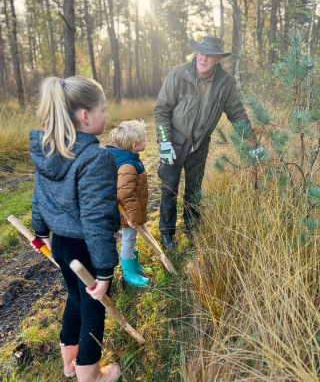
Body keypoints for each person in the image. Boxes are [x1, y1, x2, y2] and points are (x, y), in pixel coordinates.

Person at [30, 76, 121, 382]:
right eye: (103, 110)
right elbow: (97, 219)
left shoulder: (50, 149)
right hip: (86, 248)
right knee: (93, 309)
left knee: (75, 298)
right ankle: (90, 375)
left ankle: (69, 363)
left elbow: (39, 195)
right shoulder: (96, 157)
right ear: (85, 116)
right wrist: (106, 270)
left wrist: (40, 230)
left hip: (61, 244)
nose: (106, 116)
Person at [154, 36, 263, 250]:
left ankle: (192, 229)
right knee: (169, 189)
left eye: (209, 55)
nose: (203, 58)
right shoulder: (178, 73)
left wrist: (254, 144)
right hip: (173, 144)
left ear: (218, 59)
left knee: (194, 190)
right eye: (201, 53)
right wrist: (164, 141)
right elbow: (161, 110)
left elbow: (238, 114)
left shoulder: (225, 82)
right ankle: (167, 235)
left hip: (200, 145)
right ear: (197, 53)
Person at [108, 120, 150, 287]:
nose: (147, 140)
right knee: (128, 239)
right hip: (126, 212)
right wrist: (133, 217)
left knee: (131, 239)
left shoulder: (130, 158)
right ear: (134, 145)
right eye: (144, 139)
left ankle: (134, 264)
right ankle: (128, 273)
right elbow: (125, 193)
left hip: (131, 211)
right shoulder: (128, 165)